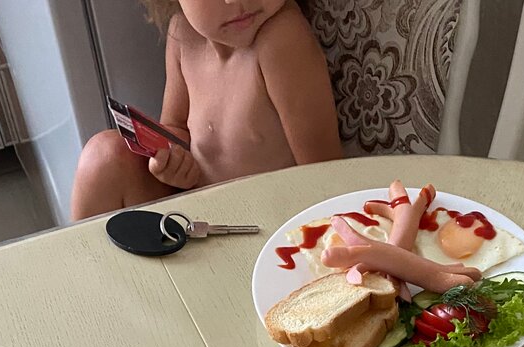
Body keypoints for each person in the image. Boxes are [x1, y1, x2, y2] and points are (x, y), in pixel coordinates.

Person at [70, 0, 342, 220]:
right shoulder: (183, 33)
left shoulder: (282, 39)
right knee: (103, 155)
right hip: (199, 209)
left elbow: (325, 176)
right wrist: (172, 163)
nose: (235, 0)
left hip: (265, 223)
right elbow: (177, 128)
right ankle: (77, 264)